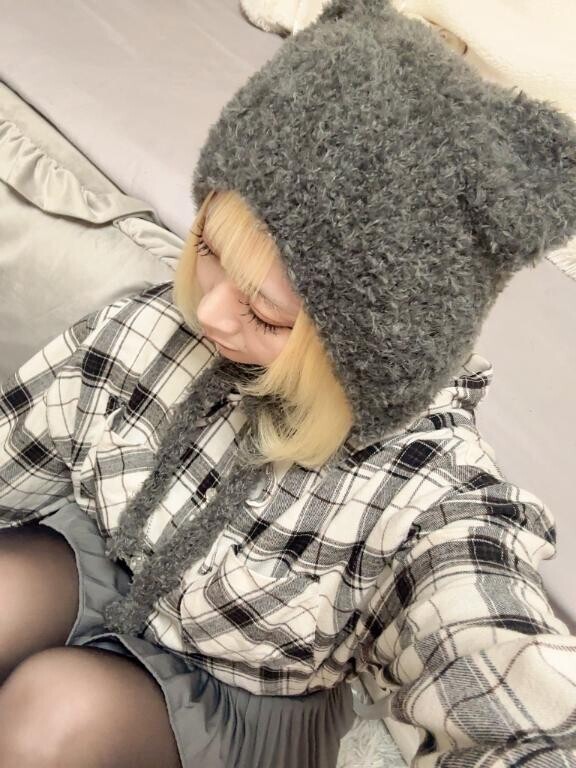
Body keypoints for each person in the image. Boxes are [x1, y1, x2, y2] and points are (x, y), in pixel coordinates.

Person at [1, 0, 576, 766]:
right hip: (100, 562)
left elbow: (493, 654)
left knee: (56, 716)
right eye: (207, 248)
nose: (208, 311)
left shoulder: (421, 493)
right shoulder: (155, 326)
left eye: (265, 313)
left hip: (237, 691)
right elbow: (21, 443)